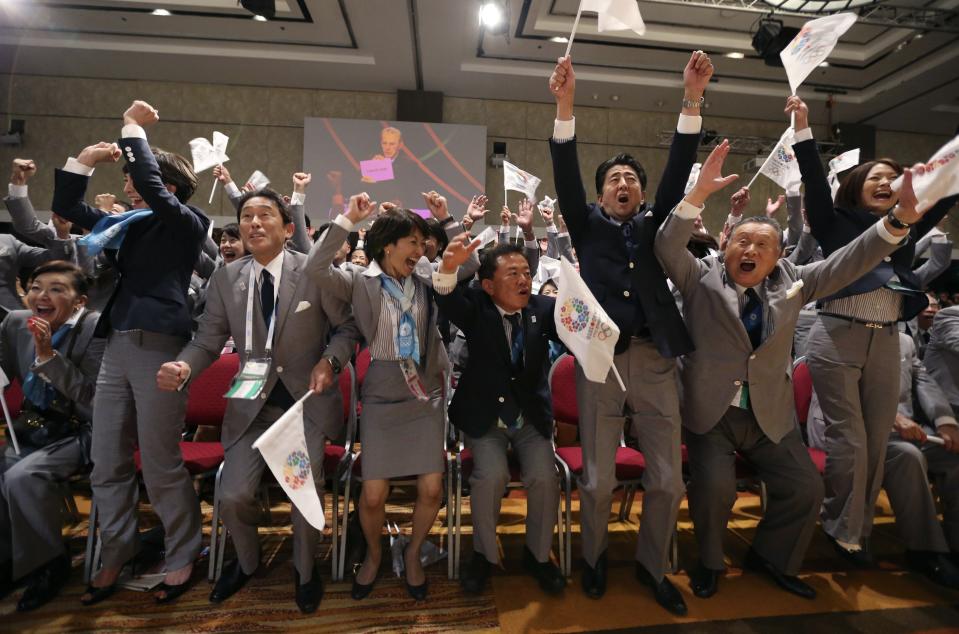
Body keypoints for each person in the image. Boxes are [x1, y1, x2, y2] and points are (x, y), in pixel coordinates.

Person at [656, 140, 926, 600]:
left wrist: (897, 221)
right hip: (712, 416)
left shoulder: (795, 282)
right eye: (742, 240)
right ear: (726, 247)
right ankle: (708, 562)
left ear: (778, 255)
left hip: (770, 417)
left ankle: (772, 557)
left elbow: (852, 258)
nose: (751, 249)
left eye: (762, 244)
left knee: (805, 488)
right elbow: (666, 244)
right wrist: (696, 195)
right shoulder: (699, 277)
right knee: (716, 489)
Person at [547, 50, 711, 613]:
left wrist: (691, 100)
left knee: (667, 479)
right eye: (614, 178)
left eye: (631, 179)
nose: (625, 183)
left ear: (641, 194)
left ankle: (651, 567)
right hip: (601, 361)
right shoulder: (586, 222)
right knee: (595, 481)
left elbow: (676, 170)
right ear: (600, 195)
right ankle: (593, 560)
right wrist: (565, 104)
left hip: (655, 357)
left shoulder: (652, 226)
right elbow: (565, 167)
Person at [157, 188, 360, 613]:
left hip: (303, 403)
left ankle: (306, 570)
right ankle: (247, 562)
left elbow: (346, 330)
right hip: (251, 406)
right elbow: (208, 340)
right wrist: (185, 367)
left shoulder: (312, 272)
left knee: (301, 487)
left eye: (265, 215)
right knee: (232, 495)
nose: (253, 223)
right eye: (246, 215)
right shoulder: (227, 278)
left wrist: (330, 361)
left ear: (288, 229)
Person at [51, 100, 210, 605]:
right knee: (106, 460)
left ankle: (185, 552)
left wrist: (133, 129)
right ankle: (118, 551)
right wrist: (83, 158)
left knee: (161, 461)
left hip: (158, 344)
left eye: (134, 177)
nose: (126, 184)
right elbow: (69, 209)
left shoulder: (186, 221)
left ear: (168, 187)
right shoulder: (130, 224)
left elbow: (156, 190)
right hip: (116, 344)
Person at [791, 94, 959, 565]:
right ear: (856, 187)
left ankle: (856, 529)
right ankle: (841, 526)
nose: (885, 182)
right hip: (836, 333)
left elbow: (945, 194)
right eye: (875, 177)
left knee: (879, 437)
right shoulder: (834, 220)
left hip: (888, 337)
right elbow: (812, 180)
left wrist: (952, 162)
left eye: (892, 178)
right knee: (852, 438)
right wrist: (804, 128)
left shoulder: (905, 222)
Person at [306, 191, 479, 602]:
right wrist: (348, 220)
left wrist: (449, 218)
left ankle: (415, 553)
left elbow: (469, 266)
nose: (422, 250)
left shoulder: (426, 276)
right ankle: (373, 554)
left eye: (423, 243)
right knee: (372, 493)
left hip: (426, 392)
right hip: (382, 393)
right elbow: (315, 266)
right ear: (388, 245)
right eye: (414, 243)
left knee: (433, 489)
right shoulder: (358, 280)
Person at [433, 242, 566, 596]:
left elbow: (576, 325)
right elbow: (446, 299)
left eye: (527, 273)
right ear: (489, 285)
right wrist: (448, 267)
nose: (524, 280)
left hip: (529, 418)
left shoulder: (544, 309)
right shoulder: (477, 306)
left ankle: (538, 556)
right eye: (513, 274)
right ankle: (482, 554)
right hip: (485, 418)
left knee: (544, 477)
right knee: (491, 475)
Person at [0, 261, 103, 611]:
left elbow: (93, 396)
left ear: (79, 301)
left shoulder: (96, 328)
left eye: (57, 289)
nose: (43, 296)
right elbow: (6, 372)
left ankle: (48, 564)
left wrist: (47, 355)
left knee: (22, 477)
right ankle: (10, 562)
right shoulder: (15, 322)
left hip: (85, 430)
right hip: (33, 427)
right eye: (36, 287)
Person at [882, 332, 959, 587]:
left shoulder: (904, 340)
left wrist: (945, 421)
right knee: (908, 456)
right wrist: (891, 417)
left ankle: (955, 543)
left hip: (909, 429)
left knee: (953, 455)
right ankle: (925, 551)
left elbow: (924, 381)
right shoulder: (842, 333)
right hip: (865, 431)